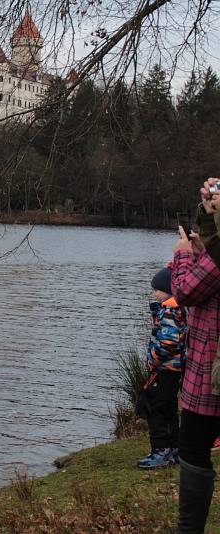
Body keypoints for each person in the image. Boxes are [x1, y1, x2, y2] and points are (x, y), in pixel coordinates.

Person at [171, 178, 220, 533]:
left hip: (210, 374)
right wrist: (207, 215)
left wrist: (183, 253)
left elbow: (185, 291)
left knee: (193, 450)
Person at [136, 266, 186, 469]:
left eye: (157, 289)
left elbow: (168, 342)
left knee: (155, 409)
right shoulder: (176, 309)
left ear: (168, 289)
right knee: (168, 409)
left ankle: (160, 451)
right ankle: (174, 448)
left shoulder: (169, 311)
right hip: (172, 371)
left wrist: (154, 361)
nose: (154, 293)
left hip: (164, 369)